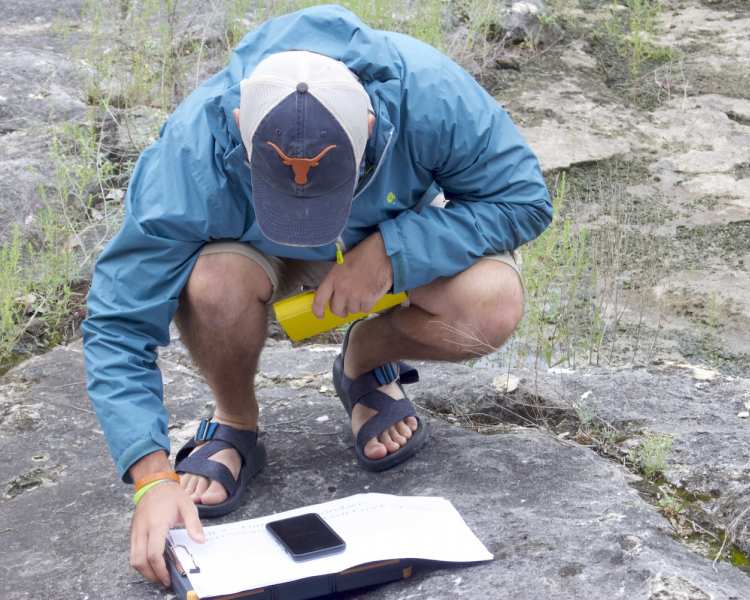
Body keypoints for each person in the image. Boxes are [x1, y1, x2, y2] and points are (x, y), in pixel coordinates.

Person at [82, 4, 551, 587]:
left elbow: (524, 200)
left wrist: (391, 253)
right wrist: (151, 477)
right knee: (212, 284)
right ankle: (235, 421)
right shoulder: (193, 148)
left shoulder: (430, 95)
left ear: (374, 126)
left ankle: (365, 360)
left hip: (383, 231)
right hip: (255, 252)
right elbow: (117, 321)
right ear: (236, 122)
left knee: (491, 305)